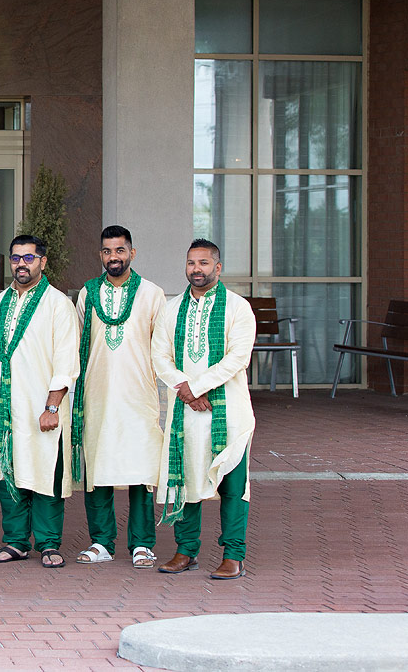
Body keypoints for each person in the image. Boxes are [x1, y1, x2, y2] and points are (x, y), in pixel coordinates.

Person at [153, 238, 256, 580]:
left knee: (232, 482)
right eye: (191, 263)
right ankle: (186, 551)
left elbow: (238, 358)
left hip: (229, 411)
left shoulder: (238, 308)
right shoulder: (171, 309)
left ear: (218, 267)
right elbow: (159, 357)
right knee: (186, 477)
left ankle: (234, 556)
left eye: (203, 263)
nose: (196, 269)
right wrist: (187, 392)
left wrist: (195, 388)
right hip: (186, 411)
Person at [0, 235, 80, 569]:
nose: (22, 264)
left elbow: (67, 361)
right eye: (16, 258)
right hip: (6, 408)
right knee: (8, 472)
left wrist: (52, 405)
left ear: (43, 262)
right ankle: (16, 541)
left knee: (46, 472)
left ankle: (49, 543)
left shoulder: (57, 305)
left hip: (43, 409)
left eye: (29, 258)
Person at [70, 226, 165, 568]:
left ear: (132, 253)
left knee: (141, 470)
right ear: (101, 255)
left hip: (139, 396)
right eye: (108, 251)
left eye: (120, 251)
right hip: (97, 395)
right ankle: (101, 542)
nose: (114, 257)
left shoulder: (153, 294)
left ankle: (142, 543)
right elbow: (79, 341)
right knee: (98, 468)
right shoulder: (88, 293)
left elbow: (163, 347)